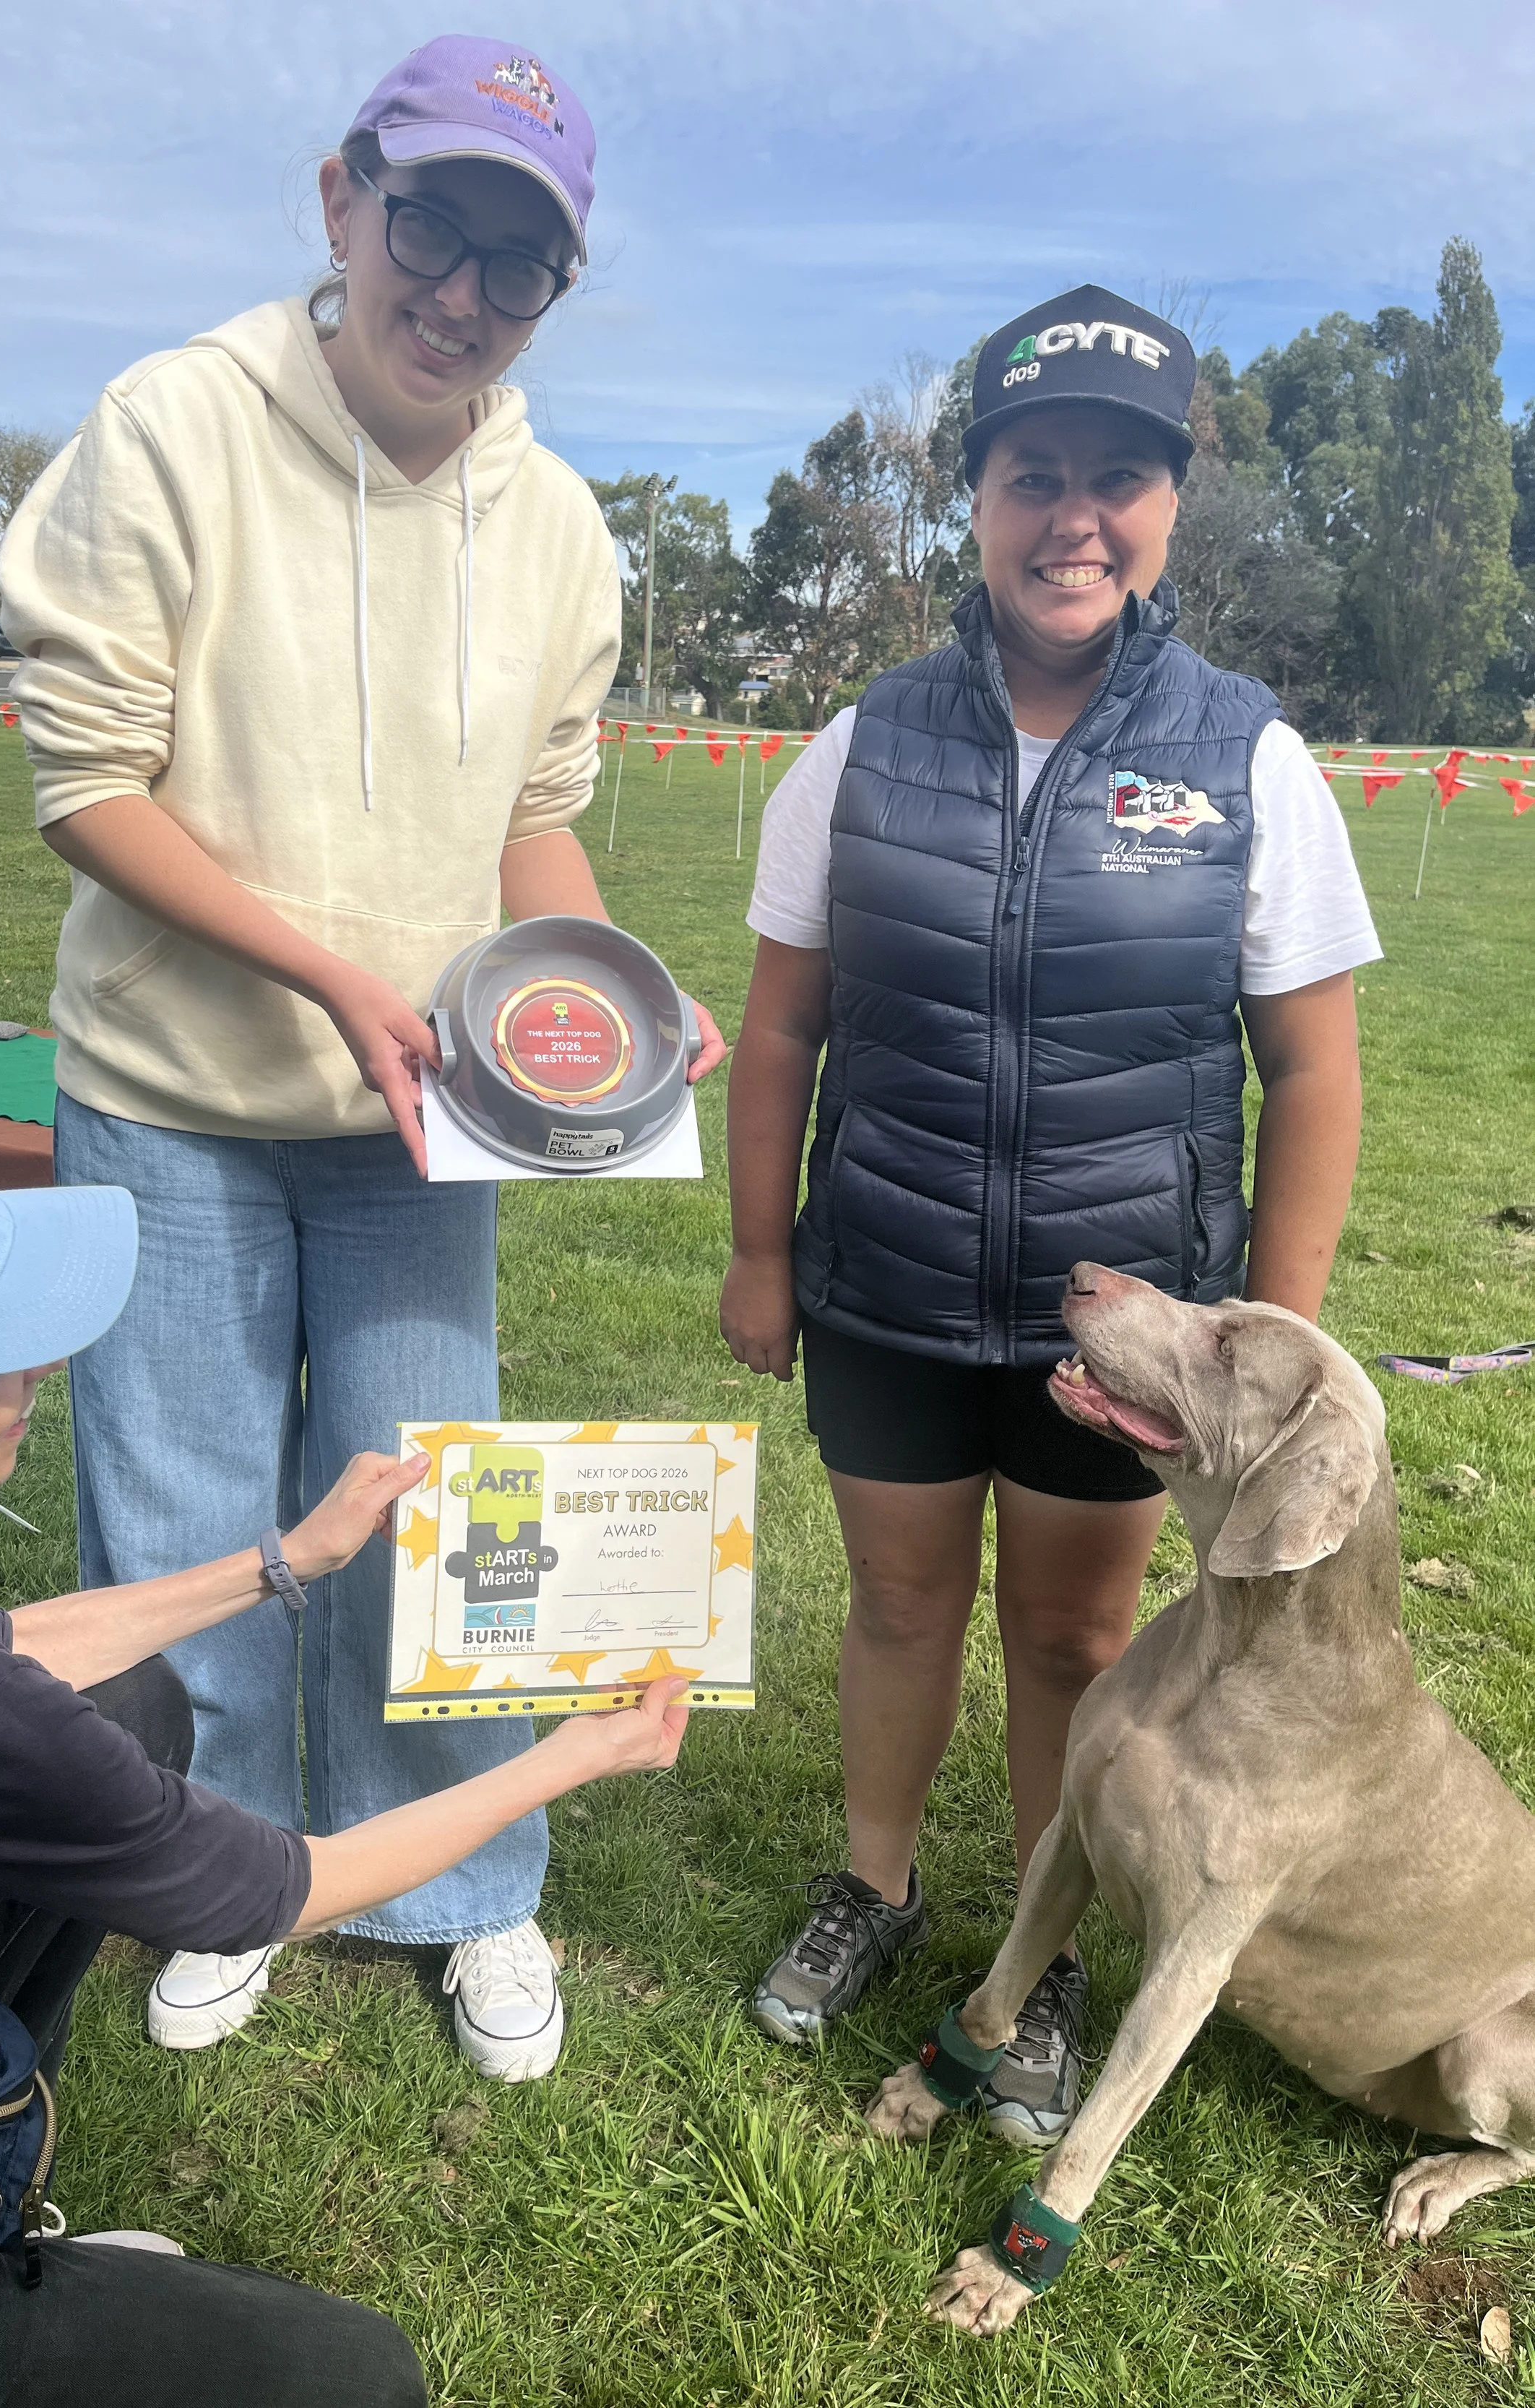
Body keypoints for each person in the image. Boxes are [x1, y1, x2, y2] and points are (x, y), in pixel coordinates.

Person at [0, 35, 725, 2076]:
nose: (464, 296)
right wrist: (330, 972)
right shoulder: (168, 425)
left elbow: (534, 823)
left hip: (427, 1119)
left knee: (435, 1510)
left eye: (521, 265)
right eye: (434, 225)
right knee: (187, 1512)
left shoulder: (562, 521)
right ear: (342, 199)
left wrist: (601, 1002)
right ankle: (215, 1867)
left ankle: (456, 1886)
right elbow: (89, 787)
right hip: (167, 1094)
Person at [0, 1121, 689, 2406]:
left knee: (125, 1705)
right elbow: (289, 1889)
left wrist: (287, 1559)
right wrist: (571, 1755)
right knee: (352, 2379)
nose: (42, 1366)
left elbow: (1, 1650)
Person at [721, 286, 1380, 2142]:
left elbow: (1310, 1077)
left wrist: (1266, 1353)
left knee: (1077, 1647)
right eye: (1031, 476)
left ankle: (1041, 1954)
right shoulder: (860, 745)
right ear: (975, 502)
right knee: (897, 1602)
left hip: (1127, 1333)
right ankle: (872, 1879)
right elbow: (781, 1020)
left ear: (1166, 506)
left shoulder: (1246, 756)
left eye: (1115, 478)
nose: (1070, 517)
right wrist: (764, 1249)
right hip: (887, 1280)